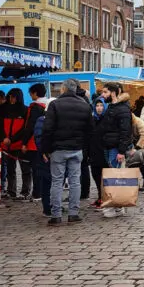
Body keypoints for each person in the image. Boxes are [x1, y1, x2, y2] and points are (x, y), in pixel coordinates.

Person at [41, 79, 92, 226]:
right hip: (76, 148)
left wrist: (45, 149)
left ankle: (56, 215)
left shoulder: (55, 104)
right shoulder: (84, 105)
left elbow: (47, 129)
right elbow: (90, 130)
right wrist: (84, 147)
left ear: (63, 89)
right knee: (75, 181)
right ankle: (73, 214)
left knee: (57, 182)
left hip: (58, 149)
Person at [99, 83, 134, 217]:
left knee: (115, 178)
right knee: (113, 176)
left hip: (115, 148)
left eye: (105, 92)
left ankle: (115, 206)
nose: (103, 95)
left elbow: (125, 131)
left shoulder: (122, 109)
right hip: (109, 145)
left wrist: (121, 151)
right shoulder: (112, 107)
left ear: (114, 93)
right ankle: (117, 205)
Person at [18, 83, 48, 203]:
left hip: (34, 142)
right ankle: (40, 192)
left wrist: (24, 142)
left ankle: (37, 193)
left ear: (35, 93)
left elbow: (30, 126)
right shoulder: (48, 105)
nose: (30, 95)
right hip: (44, 141)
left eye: (31, 93)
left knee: (36, 169)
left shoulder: (35, 107)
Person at [0, 88, 31, 200]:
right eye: (10, 97)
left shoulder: (26, 110)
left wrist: (12, 139)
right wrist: (5, 138)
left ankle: (25, 191)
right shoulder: (6, 110)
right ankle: (11, 191)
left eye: (13, 97)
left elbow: (24, 129)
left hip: (20, 143)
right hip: (8, 145)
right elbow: (2, 126)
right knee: (10, 169)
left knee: (25, 169)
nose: (11, 99)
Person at [89, 98, 108, 209]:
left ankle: (104, 198)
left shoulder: (107, 119)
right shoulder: (92, 119)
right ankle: (100, 196)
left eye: (101, 105)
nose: (99, 108)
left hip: (104, 152)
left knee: (104, 177)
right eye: (97, 106)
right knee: (96, 176)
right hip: (94, 152)